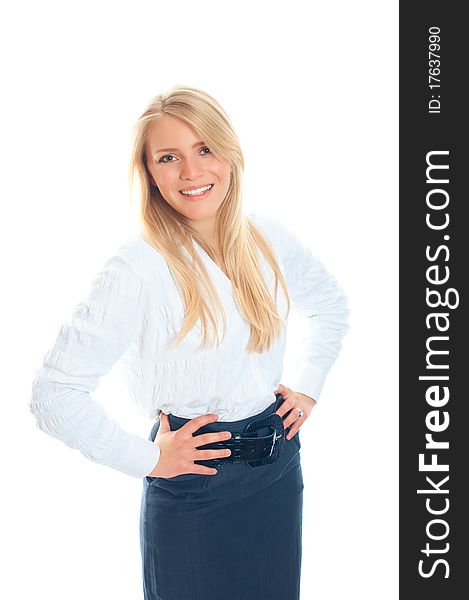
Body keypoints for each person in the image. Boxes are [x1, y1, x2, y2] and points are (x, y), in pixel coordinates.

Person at [30, 85, 350, 600]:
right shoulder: (136, 267)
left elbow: (332, 306)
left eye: (204, 149)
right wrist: (148, 460)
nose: (192, 172)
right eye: (168, 157)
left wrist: (307, 388)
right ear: (150, 174)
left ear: (230, 153)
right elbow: (54, 392)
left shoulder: (268, 237)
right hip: (194, 483)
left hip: (277, 469)